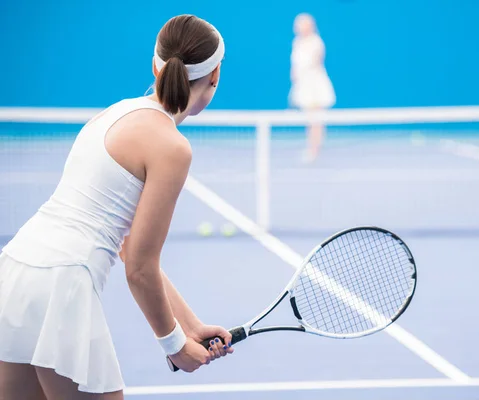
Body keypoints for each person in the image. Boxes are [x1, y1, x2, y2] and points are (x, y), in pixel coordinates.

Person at [0, 14, 233, 399]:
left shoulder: (113, 112)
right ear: (215, 76)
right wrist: (175, 344)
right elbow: (140, 268)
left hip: (14, 273)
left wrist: (190, 325)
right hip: (62, 285)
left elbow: (129, 250)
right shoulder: (172, 147)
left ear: (155, 66)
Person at [289, 13, 336, 164]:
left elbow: (314, 64)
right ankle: (312, 148)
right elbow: (295, 66)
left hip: (314, 86)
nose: (298, 27)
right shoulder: (297, 42)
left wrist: (303, 77)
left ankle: (314, 150)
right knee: (309, 120)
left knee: (316, 120)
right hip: (303, 86)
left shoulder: (316, 42)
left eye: (302, 24)